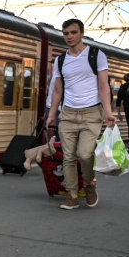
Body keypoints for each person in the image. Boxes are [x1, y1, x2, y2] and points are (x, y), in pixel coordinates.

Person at [46, 19, 116, 210]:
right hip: (67, 114)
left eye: (73, 32)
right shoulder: (60, 60)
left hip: (91, 113)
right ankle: (73, 195)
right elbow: (57, 90)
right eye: (66, 33)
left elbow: (103, 86)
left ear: (82, 33)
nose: (69, 36)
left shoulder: (96, 55)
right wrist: (52, 114)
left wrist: (108, 112)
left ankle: (89, 186)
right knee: (68, 156)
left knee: (84, 154)